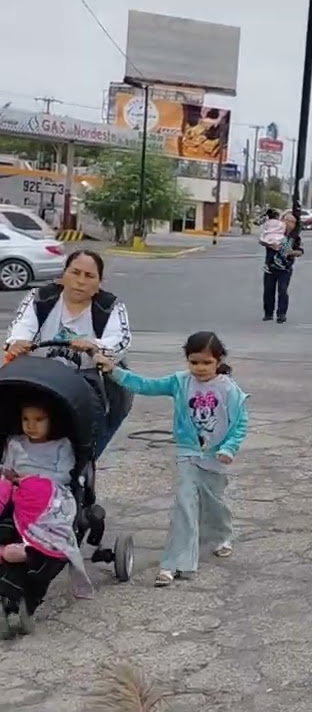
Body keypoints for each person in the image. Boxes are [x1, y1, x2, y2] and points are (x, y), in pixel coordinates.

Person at [95, 332, 248, 587]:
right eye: (194, 362)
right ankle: (174, 563)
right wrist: (113, 371)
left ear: (218, 360)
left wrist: (229, 449)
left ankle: (221, 535)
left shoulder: (229, 389)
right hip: (188, 452)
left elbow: (240, 423)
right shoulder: (180, 382)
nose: (200, 368)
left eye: (206, 363)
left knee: (214, 501)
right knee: (185, 505)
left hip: (216, 455)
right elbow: (145, 385)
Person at [4, 250, 133, 457]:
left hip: (87, 377)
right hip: (41, 375)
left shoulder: (110, 306)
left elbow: (120, 341)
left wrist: (94, 346)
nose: (81, 281)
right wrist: (18, 342)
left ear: (99, 282)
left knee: (115, 397)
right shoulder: (41, 297)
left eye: (89, 276)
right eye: (75, 272)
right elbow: (22, 326)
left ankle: (88, 457)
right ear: (63, 275)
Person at [0, 396, 88, 635]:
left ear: (53, 421)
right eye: (26, 419)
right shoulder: (15, 443)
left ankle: (27, 595)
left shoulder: (61, 445)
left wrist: (35, 482)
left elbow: (63, 476)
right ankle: (8, 592)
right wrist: (13, 479)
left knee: (45, 549)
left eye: (39, 419)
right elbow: (6, 471)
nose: (31, 425)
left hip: (48, 497)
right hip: (19, 497)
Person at [260, 210, 304, 324]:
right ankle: (268, 313)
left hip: (285, 269)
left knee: (283, 290)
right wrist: (271, 244)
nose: (289, 223)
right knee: (268, 290)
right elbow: (262, 240)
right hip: (270, 267)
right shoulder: (273, 232)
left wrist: (289, 252)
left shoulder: (294, 237)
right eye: (287, 220)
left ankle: (281, 314)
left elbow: (300, 252)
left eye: (292, 222)